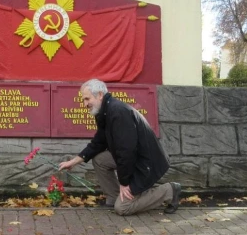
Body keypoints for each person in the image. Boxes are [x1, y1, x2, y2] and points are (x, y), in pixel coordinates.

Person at [58, 79, 182, 216]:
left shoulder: (118, 112)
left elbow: (126, 152)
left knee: (122, 208)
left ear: (99, 95)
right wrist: (74, 161)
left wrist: (124, 183)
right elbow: (99, 142)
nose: (85, 104)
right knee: (100, 160)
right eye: (83, 100)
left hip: (146, 162)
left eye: (87, 99)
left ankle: (169, 190)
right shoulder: (105, 112)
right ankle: (117, 197)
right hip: (135, 158)